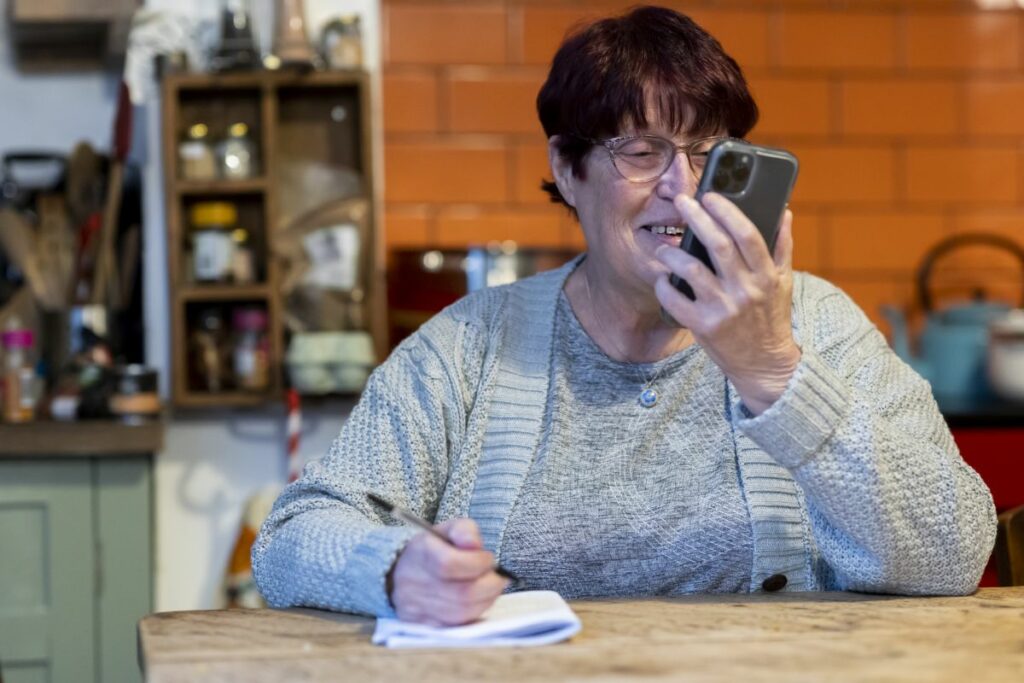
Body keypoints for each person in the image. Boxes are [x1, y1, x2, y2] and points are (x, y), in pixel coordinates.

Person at [253, 5, 996, 626]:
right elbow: (292, 535)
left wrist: (774, 373)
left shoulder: (812, 323)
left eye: (710, 155)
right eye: (643, 151)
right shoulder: (471, 345)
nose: (683, 188)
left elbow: (957, 548)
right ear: (569, 170)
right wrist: (394, 570)